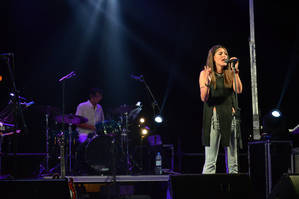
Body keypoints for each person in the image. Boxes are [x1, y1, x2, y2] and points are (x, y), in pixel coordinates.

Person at [199, 44, 243, 174]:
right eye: (220, 53)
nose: (224, 56)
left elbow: (239, 90)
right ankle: (207, 192)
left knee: (233, 164)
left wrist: (235, 71)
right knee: (211, 163)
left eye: (225, 53)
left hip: (231, 119)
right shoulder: (205, 73)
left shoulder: (230, 73)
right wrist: (207, 80)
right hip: (214, 119)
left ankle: (233, 192)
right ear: (213, 58)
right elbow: (204, 97)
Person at [74, 88, 105, 174]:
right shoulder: (82, 106)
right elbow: (77, 122)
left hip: (96, 134)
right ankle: (85, 168)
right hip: (83, 133)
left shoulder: (100, 107)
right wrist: (93, 128)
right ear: (92, 96)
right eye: (98, 96)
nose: (100, 98)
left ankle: (98, 168)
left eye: (100, 96)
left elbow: (102, 123)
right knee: (87, 145)